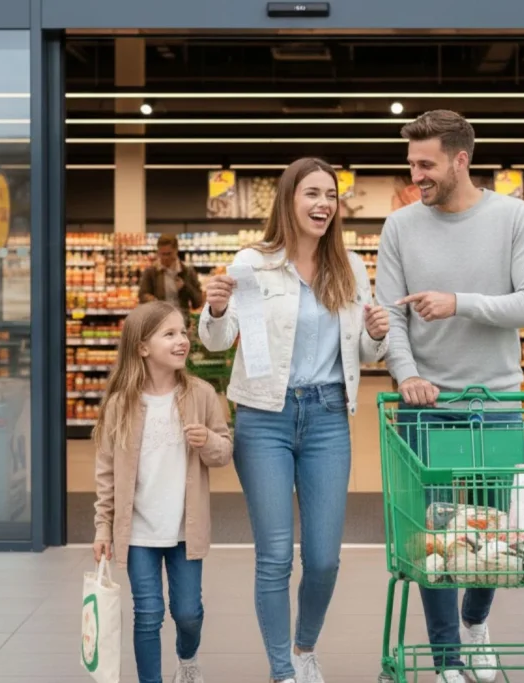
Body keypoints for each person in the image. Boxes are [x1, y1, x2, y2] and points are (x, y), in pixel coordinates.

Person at [375, 110, 524, 683]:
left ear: (460, 160)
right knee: (434, 535)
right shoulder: (400, 226)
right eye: (411, 164)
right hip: (426, 406)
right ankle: (449, 658)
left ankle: (476, 623)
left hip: (495, 401)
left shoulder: (512, 218)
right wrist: (405, 375)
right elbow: (390, 316)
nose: (415, 175)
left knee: (491, 528)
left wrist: (461, 301)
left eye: (425, 165)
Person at [197, 157, 390, 683]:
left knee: (325, 558)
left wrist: (376, 331)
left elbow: (367, 352)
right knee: (275, 555)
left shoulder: (350, 266)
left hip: (328, 415)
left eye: (330, 194)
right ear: (289, 200)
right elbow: (217, 341)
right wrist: (214, 311)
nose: (323, 203)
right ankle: (283, 670)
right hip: (265, 417)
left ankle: (305, 647)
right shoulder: (252, 263)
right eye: (312, 193)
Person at [91, 300, 233, 683]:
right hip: (138, 532)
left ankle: (187, 660)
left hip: (185, 530)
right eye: (169, 334)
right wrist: (103, 526)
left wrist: (207, 442)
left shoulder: (201, 395)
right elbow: (106, 473)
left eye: (183, 333)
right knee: (148, 613)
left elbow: (224, 452)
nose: (182, 341)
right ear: (142, 347)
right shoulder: (120, 404)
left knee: (188, 612)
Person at [138, 234, 204, 322]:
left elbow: (198, 302)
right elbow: (142, 295)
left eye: (169, 254)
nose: (165, 258)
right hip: (159, 322)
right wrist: (151, 299)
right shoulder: (151, 272)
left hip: (182, 322)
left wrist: (185, 287)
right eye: (162, 254)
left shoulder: (187, 271)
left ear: (176, 250)